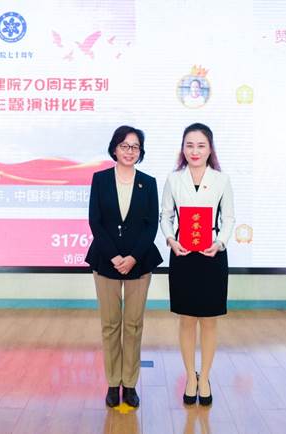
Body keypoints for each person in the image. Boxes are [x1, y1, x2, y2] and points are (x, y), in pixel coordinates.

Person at [86, 125, 163, 408]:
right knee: (110, 325)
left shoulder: (149, 182)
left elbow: (151, 225)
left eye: (135, 147)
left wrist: (132, 257)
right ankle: (112, 382)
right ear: (114, 149)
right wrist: (114, 256)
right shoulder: (100, 179)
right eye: (124, 146)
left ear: (140, 151)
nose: (130, 151)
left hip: (139, 262)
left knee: (133, 325)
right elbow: (95, 221)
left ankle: (129, 384)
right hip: (105, 260)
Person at [160, 122, 235, 406]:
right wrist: (170, 239)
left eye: (201, 145)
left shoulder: (221, 180)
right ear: (182, 148)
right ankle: (190, 377)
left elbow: (228, 218)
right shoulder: (173, 179)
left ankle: (205, 378)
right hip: (182, 255)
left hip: (212, 256)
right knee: (187, 319)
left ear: (210, 149)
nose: (195, 151)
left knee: (209, 320)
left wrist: (220, 242)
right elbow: (165, 216)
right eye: (189, 145)